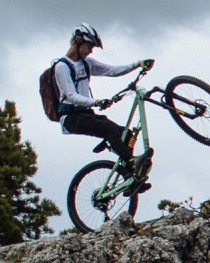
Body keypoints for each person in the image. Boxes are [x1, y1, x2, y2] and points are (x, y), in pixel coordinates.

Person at [53, 24, 155, 181]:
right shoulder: (62, 66)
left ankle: (129, 176)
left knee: (125, 134)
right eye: (89, 46)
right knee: (108, 129)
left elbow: (112, 71)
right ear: (77, 41)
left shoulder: (87, 63)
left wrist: (138, 64)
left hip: (87, 114)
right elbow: (71, 95)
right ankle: (132, 163)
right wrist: (97, 102)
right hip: (71, 118)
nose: (90, 51)